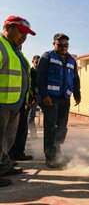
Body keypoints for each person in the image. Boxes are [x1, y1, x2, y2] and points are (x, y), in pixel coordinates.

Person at [0, 15, 36, 187]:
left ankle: (4, 166)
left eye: (26, 34)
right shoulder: (1, 46)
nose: (24, 37)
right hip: (2, 103)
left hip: (13, 103)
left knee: (6, 141)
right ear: (8, 28)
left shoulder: (14, 49)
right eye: (21, 32)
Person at [37, 33, 81, 168]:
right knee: (50, 127)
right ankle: (50, 157)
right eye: (60, 45)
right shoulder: (47, 56)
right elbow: (40, 77)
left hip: (64, 99)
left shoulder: (71, 60)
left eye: (66, 45)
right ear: (54, 44)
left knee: (62, 127)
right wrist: (44, 95)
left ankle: (58, 151)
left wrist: (77, 94)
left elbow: (75, 79)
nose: (63, 47)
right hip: (50, 98)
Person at [28, 55, 40, 138]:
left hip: (43, 96)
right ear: (33, 62)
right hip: (33, 97)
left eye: (39, 62)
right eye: (36, 62)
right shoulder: (30, 72)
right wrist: (32, 97)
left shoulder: (42, 72)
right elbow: (30, 85)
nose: (38, 64)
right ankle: (33, 135)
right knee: (30, 117)